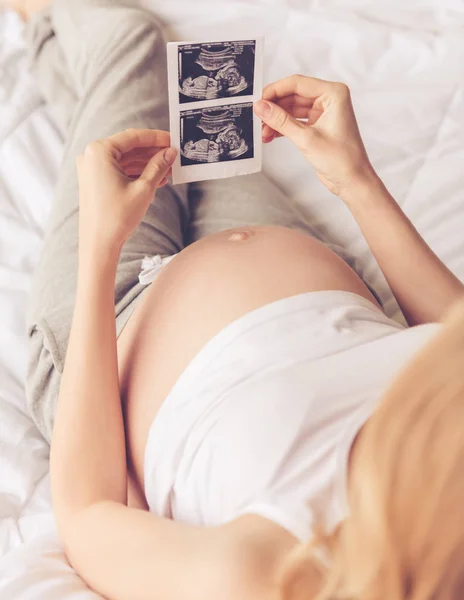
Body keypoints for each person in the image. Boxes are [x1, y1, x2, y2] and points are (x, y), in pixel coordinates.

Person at [5, 0, 464, 599]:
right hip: (290, 254)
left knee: (131, 45)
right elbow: (452, 337)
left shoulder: (275, 572)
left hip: (112, 330)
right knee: (192, 119)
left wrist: (99, 240)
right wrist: (355, 179)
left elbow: (89, 515)